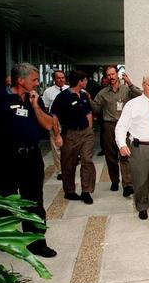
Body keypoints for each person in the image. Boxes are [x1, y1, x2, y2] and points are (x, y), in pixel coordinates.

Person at [0, 63, 62, 257]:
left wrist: (35, 106)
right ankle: (6, 240)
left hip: (31, 157)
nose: (37, 82)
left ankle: (36, 242)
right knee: (5, 201)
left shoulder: (35, 98)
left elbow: (49, 124)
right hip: (5, 158)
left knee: (34, 201)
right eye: (34, 79)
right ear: (20, 80)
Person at [115, 74, 149, 232]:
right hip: (139, 150)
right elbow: (121, 127)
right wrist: (122, 144)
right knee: (140, 182)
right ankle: (142, 206)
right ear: (143, 85)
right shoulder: (132, 105)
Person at [91, 66, 142, 196]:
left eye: (113, 74)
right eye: (108, 75)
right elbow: (95, 109)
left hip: (125, 126)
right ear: (106, 77)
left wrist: (130, 83)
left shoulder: (126, 90)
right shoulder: (102, 93)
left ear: (117, 74)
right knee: (111, 156)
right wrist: (87, 99)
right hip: (109, 126)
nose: (111, 77)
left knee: (125, 154)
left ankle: (128, 185)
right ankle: (114, 180)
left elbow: (140, 95)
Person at [50, 70, 96, 204]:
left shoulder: (84, 95)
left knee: (87, 160)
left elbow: (88, 113)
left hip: (86, 133)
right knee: (69, 163)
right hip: (70, 134)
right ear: (80, 81)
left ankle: (86, 191)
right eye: (85, 80)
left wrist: (90, 129)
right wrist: (57, 135)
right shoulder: (63, 96)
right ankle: (69, 191)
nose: (86, 82)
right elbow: (54, 116)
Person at [42, 70, 69, 180]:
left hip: (68, 121)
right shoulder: (48, 92)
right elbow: (46, 108)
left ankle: (68, 168)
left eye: (62, 77)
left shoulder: (69, 89)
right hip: (55, 121)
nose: (61, 80)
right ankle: (60, 170)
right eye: (58, 78)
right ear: (54, 79)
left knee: (68, 146)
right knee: (56, 147)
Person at [96, 75, 110, 156]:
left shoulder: (110, 90)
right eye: (103, 82)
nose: (104, 83)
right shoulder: (99, 91)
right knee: (102, 134)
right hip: (101, 116)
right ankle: (103, 149)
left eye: (106, 82)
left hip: (110, 115)